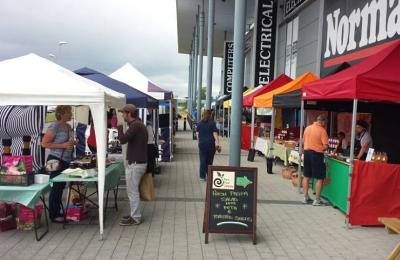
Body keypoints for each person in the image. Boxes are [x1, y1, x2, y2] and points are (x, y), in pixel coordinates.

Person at [42, 105, 76, 223]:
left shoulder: (69, 126)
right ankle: (54, 215)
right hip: (56, 160)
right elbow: (44, 143)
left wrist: (72, 143)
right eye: (68, 112)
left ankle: (57, 211)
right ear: (61, 113)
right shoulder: (55, 126)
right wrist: (63, 145)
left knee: (61, 187)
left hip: (66, 160)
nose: (70, 114)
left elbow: (68, 142)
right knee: (56, 187)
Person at [117, 104, 148, 226]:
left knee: (132, 192)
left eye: (123, 113)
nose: (122, 115)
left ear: (129, 113)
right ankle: (134, 214)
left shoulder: (135, 126)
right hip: (138, 163)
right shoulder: (138, 125)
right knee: (133, 191)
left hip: (135, 164)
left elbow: (123, 139)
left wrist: (119, 128)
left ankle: (135, 217)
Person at [302, 115, 329, 206]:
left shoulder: (307, 128)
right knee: (319, 177)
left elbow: (303, 141)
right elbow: (325, 146)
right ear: (322, 121)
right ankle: (317, 200)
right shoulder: (322, 130)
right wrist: (322, 147)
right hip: (316, 155)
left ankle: (305, 197)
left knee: (306, 176)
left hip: (306, 153)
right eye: (325, 122)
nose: (325, 124)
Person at [196, 110, 221, 181]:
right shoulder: (212, 123)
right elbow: (215, 134)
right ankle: (209, 174)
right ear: (210, 115)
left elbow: (197, 134)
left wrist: (199, 141)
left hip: (202, 144)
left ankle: (202, 176)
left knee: (202, 160)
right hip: (210, 144)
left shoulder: (199, 123)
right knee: (209, 161)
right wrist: (217, 143)